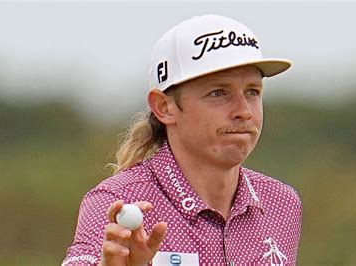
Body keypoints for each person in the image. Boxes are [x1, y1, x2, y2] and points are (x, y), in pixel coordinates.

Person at [63, 14, 302, 265]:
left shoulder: (281, 202)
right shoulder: (116, 202)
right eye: (219, 92)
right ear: (164, 107)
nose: (244, 110)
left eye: (252, 91)